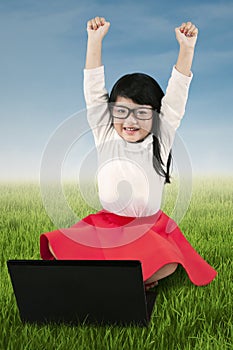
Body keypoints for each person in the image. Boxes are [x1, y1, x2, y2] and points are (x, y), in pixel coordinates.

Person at [40, 17, 217, 290]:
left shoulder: (161, 135)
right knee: (63, 248)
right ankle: (122, 276)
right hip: (106, 225)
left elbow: (177, 95)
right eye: (122, 112)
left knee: (168, 262)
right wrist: (94, 41)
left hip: (148, 228)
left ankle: (127, 277)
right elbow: (93, 90)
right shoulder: (105, 132)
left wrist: (187, 48)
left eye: (142, 113)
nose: (130, 120)